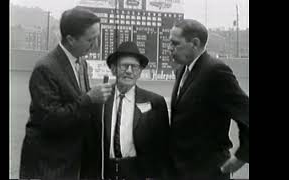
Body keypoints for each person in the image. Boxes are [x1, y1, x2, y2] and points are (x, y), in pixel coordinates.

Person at [19, 7, 112, 180]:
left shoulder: (81, 63)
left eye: (97, 37)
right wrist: (89, 99)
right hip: (50, 164)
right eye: (91, 39)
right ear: (70, 39)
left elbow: (78, 108)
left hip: (73, 161)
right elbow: (50, 120)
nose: (96, 44)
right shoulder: (45, 68)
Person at [168, 19, 249, 180]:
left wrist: (241, 157)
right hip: (181, 171)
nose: (170, 48)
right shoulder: (182, 70)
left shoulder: (216, 71)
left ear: (195, 43)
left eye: (175, 43)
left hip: (207, 172)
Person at [103, 41, 170, 180]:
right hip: (105, 173)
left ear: (139, 72)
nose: (128, 71)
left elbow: (163, 147)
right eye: (123, 66)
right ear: (113, 69)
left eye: (134, 67)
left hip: (138, 173)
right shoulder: (100, 100)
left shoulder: (155, 102)